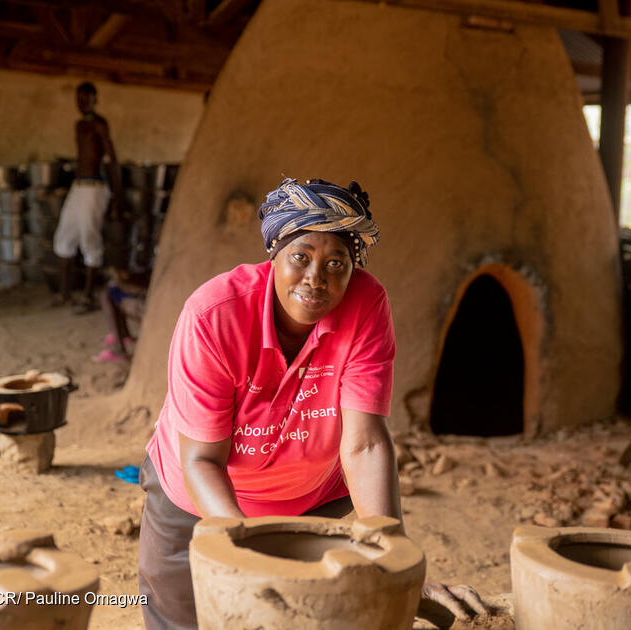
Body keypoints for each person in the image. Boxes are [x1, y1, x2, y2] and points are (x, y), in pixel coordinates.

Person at [137, 178, 488, 629]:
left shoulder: (366, 304)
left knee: (305, 615)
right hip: (199, 500)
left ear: (351, 268)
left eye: (335, 263)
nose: (316, 279)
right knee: (181, 616)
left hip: (311, 497)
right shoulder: (214, 315)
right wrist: (246, 548)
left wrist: (397, 561)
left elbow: (364, 445)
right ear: (275, 254)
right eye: (300, 257)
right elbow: (202, 460)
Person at [52, 82, 122, 313]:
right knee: (64, 237)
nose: (81, 103)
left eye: (86, 99)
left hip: (95, 187)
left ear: (94, 99)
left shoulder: (99, 124)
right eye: (78, 99)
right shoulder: (79, 125)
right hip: (78, 187)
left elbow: (112, 159)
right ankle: (64, 294)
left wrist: (116, 198)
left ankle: (88, 297)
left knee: (89, 239)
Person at [92, 267, 150, 363]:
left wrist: (123, 280)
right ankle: (124, 336)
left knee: (107, 295)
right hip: (143, 292)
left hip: (147, 299)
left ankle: (120, 349)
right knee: (108, 292)